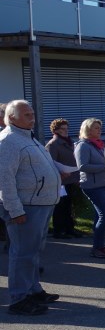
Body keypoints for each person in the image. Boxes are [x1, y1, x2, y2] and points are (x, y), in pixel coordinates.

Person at [0, 100, 61, 315]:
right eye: (26, 114)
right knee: (22, 254)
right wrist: (15, 210)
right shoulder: (8, 141)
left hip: (40, 204)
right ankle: (19, 298)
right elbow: (5, 180)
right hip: (26, 207)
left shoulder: (27, 137)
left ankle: (33, 290)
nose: (32, 117)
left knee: (33, 252)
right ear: (12, 117)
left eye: (32, 113)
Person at [75, 118, 105, 259]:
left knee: (100, 215)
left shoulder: (98, 145)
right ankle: (97, 247)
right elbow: (83, 166)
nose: (99, 130)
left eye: (99, 128)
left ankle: (100, 246)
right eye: (96, 128)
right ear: (88, 129)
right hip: (92, 186)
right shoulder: (83, 146)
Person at [46, 118, 79, 239]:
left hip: (71, 179)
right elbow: (50, 163)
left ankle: (70, 229)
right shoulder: (53, 144)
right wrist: (59, 172)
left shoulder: (70, 142)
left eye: (66, 128)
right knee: (60, 207)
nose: (65, 131)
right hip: (60, 181)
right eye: (62, 129)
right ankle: (58, 231)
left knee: (69, 206)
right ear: (55, 131)